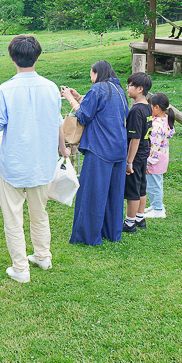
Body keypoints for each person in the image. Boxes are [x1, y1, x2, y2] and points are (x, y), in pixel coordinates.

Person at [0, 35, 70, 283]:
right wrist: (63, 148)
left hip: (14, 163)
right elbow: (58, 123)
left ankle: (21, 268)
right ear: (37, 56)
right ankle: (43, 256)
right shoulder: (50, 87)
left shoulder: (4, 89)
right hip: (42, 162)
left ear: (13, 58)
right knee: (40, 212)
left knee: (13, 217)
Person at [61, 60, 129, 245]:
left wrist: (69, 97)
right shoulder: (119, 90)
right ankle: (111, 233)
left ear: (97, 73)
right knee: (113, 194)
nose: (90, 78)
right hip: (119, 148)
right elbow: (101, 109)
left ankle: (88, 236)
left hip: (100, 148)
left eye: (91, 74)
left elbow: (83, 115)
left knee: (92, 193)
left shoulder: (98, 88)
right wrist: (79, 97)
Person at [123, 72, 153, 233]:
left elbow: (134, 139)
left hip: (135, 155)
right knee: (141, 187)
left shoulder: (136, 111)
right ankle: (140, 217)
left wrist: (129, 162)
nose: (127, 88)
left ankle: (129, 223)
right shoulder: (148, 107)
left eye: (130, 85)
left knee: (132, 190)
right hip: (144, 153)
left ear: (140, 89)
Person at [144, 93, 175, 219]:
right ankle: (156, 204)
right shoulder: (165, 120)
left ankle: (158, 210)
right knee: (157, 183)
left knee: (152, 184)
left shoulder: (156, 126)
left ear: (156, 107)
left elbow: (154, 145)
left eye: (149, 106)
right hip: (162, 157)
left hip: (154, 159)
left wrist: (148, 162)